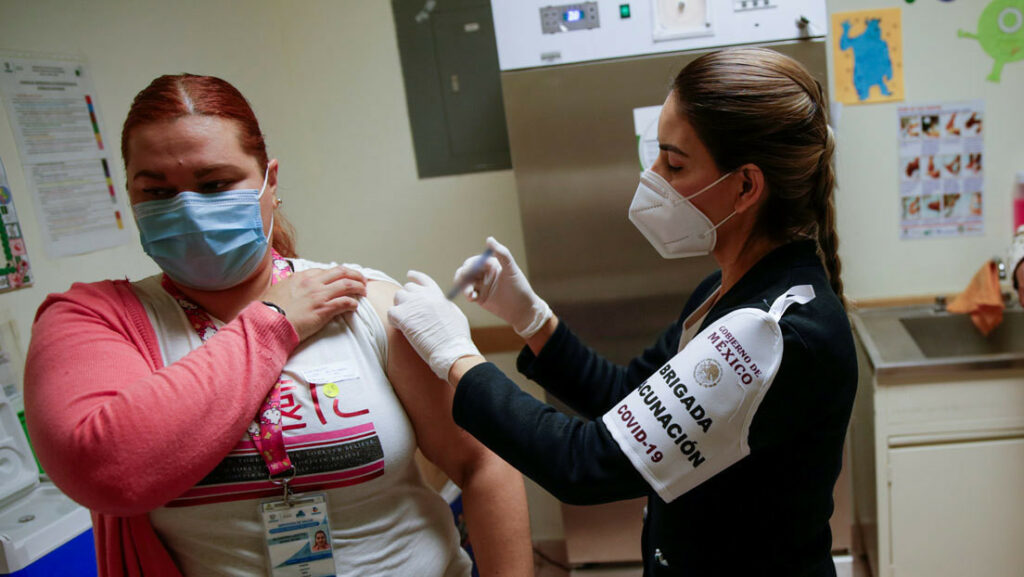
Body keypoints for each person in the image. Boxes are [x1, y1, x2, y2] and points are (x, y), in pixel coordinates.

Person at [23, 74, 531, 577]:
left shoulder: (362, 302)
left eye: (215, 184)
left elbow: (483, 463)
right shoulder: (97, 321)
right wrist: (274, 321)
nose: (189, 209)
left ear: (270, 182)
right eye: (157, 192)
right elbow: (105, 467)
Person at [389, 48, 858, 576]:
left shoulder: (771, 331)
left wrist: (457, 356)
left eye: (674, 163)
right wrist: (532, 320)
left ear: (746, 186)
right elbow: (629, 399)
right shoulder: (728, 291)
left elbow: (582, 462)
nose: (651, 175)